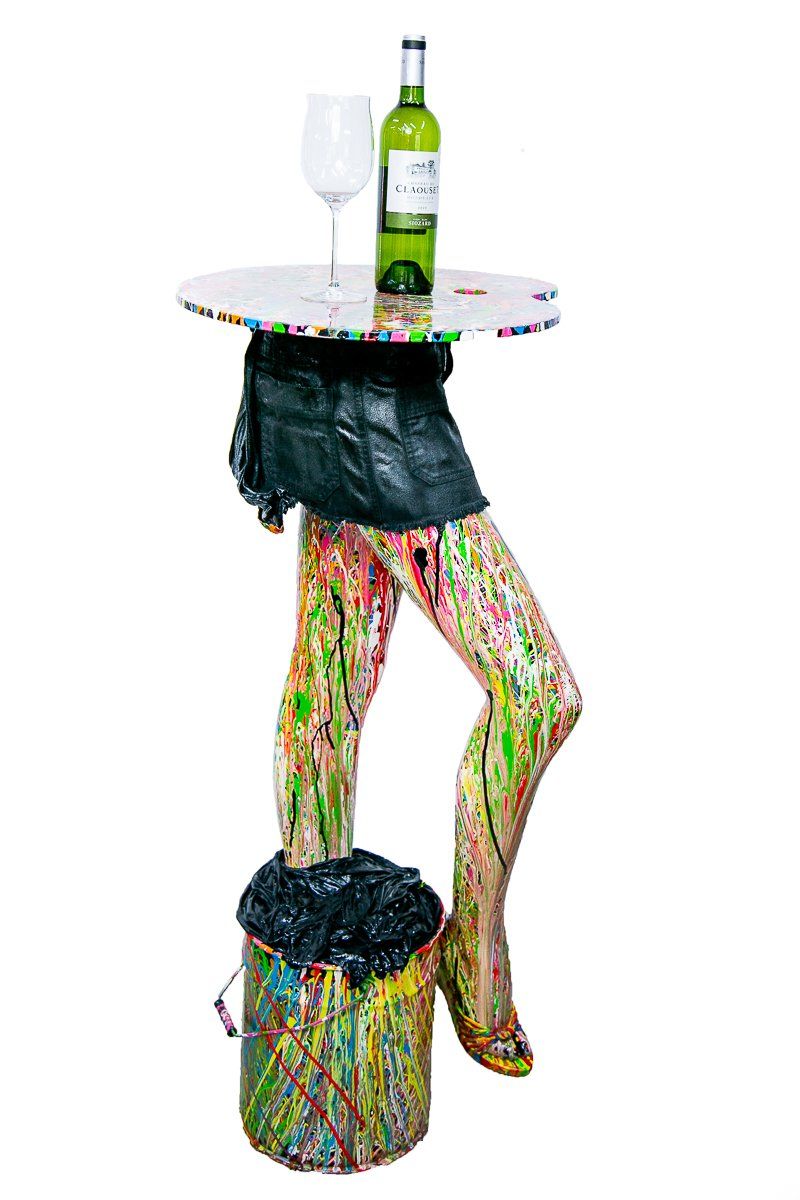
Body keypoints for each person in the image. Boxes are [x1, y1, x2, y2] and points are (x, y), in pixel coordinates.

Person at [231, 329, 582, 1076]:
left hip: (314, 382)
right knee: (537, 692)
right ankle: (471, 954)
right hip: (372, 410)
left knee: (332, 666)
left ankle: (315, 882)